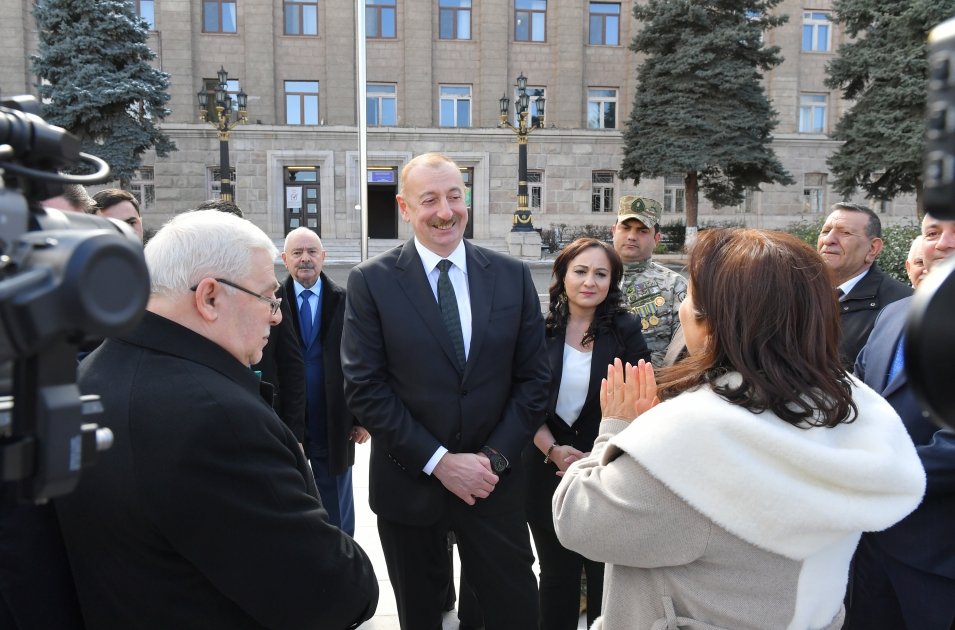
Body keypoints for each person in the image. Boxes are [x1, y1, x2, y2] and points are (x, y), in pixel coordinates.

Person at [553, 228, 926, 630]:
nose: (682, 307)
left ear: (712, 323)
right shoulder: (847, 409)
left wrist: (616, 429)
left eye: (691, 296)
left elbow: (579, 520)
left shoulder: (696, 438)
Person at [55, 210, 378, 630]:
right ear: (209, 297)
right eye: (267, 298)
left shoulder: (92, 372)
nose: (275, 316)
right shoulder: (220, 423)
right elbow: (339, 593)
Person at [341, 152, 550, 630]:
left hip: (494, 485)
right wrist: (440, 462)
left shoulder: (511, 276)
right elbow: (366, 388)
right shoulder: (370, 283)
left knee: (515, 611)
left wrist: (492, 459)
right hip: (410, 485)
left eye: (455, 196)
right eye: (429, 199)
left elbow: (534, 379)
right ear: (405, 208)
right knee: (421, 618)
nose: (445, 210)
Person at [523, 237, 649, 630]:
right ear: (562, 275)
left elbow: (641, 399)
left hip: (607, 472)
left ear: (613, 281)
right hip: (545, 469)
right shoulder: (536, 329)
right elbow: (521, 401)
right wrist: (553, 450)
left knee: (603, 576)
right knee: (556, 575)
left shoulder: (625, 329)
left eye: (601, 273)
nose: (589, 281)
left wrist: (600, 454)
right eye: (580, 271)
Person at [846, 212, 955, 630]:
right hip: (870, 544)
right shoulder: (894, 314)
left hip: (938, 556)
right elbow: (856, 396)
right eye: (932, 233)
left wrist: (871, 473)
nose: (942, 243)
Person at [276, 226, 368, 535]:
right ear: (284, 259)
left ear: (323, 257)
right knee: (290, 495)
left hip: (335, 417)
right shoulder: (271, 301)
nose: (305, 259)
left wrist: (363, 417)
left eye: (312, 252)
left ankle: (344, 561)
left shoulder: (346, 300)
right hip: (287, 418)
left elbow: (362, 359)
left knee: (337, 503)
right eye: (297, 253)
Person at [817, 202, 911, 367]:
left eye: (845, 232)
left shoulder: (904, 306)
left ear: (873, 248)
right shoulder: (796, 292)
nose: (828, 239)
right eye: (825, 231)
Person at [611, 195, 687, 367]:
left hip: (655, 386)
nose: (632, 236)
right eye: (626, 228)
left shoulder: (674, 284)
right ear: (614, 231)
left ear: (657, 239)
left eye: (642, 230)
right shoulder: (592, 276)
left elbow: (684, 346)